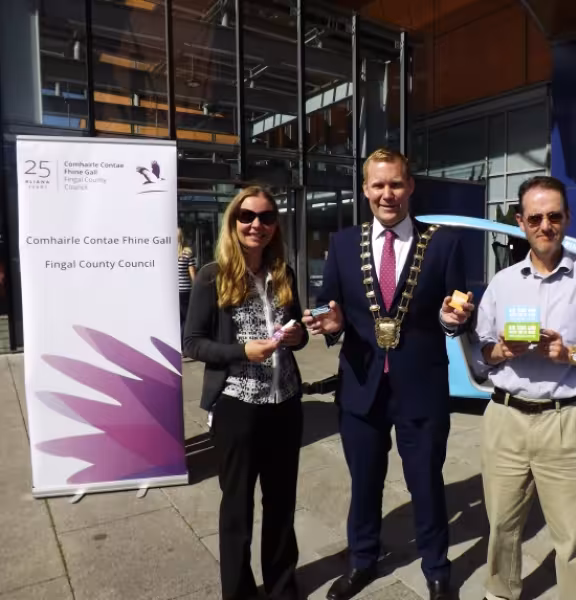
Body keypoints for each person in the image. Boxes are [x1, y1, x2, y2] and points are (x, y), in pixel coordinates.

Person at [302, 148, 474, 600]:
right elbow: (328, 304)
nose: (387, 194)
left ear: (410, 186)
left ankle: (437, 569)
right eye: (378, 185)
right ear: (365, 190)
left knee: (426, 483)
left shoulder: (444, 243)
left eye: (396, 183)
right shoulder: (343, 244)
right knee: (364, 482)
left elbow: (458, 310)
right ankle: (362, 560)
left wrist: (453, 321)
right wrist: (330, 323)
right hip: (361, 386)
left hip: (422, 386)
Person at [473, 175, 576, 600]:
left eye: (554, 216)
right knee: (501, 525)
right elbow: (480, 354)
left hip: (565, 420)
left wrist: (571, 354)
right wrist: (501, 350)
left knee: (573, 536)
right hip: (505, 418)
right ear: (520, 222)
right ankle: (499, 593)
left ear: (567, 219)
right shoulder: (503, 283)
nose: (545, 226)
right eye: (535, 218)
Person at [183, 186, 308, 600]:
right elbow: (193, 343)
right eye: (248, 216)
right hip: (237, 406)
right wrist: (242, 352)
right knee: (237, 508)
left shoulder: (283, 273)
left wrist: (298, 336)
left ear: (276, 225)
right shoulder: (211, 276)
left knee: (281, 504)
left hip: (285, 403)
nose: (257, 225)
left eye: (267, 217)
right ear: (233, 221)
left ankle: (282, 587)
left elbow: (297, 330)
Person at [177, 228, 196, 344]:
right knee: (186, 318)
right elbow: (193, 274)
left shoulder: (167, 254)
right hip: (185, 291)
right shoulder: (187, 253)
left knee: (177, 318)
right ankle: (183, 343)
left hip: (171, 292)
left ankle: (177, 343)